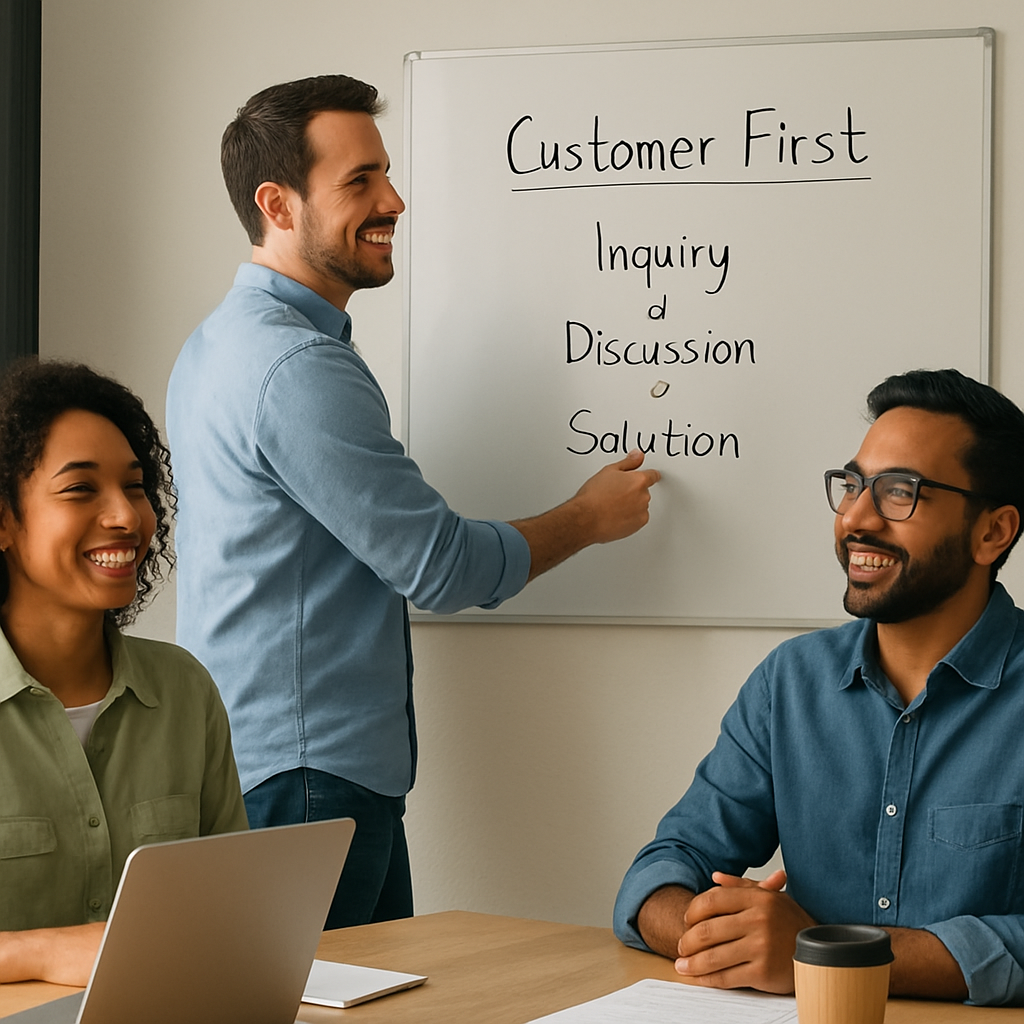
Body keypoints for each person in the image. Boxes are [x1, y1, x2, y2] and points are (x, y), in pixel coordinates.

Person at [165, 73, 660, 929]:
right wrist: (587, 517)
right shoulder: (295, 369)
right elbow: (439, 566)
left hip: (282, 766)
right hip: (310, 781)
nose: (393, 199)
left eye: (385, 173)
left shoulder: (219, 344)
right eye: (359, 181)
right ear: (277, 205)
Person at [613, 368, 1024, 1007]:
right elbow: (666, 866)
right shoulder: (792, 682)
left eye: (899, 492)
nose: (856, 517)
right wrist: (725, 934)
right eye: (854, 485)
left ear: (991, 532)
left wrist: (824, 954)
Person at [0, 360, 248, 986]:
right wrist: (45, 953)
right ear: (4, 519)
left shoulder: (185, 690)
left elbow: (229, 911)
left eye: (135, 487)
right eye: (81, 489)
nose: (127, 518)